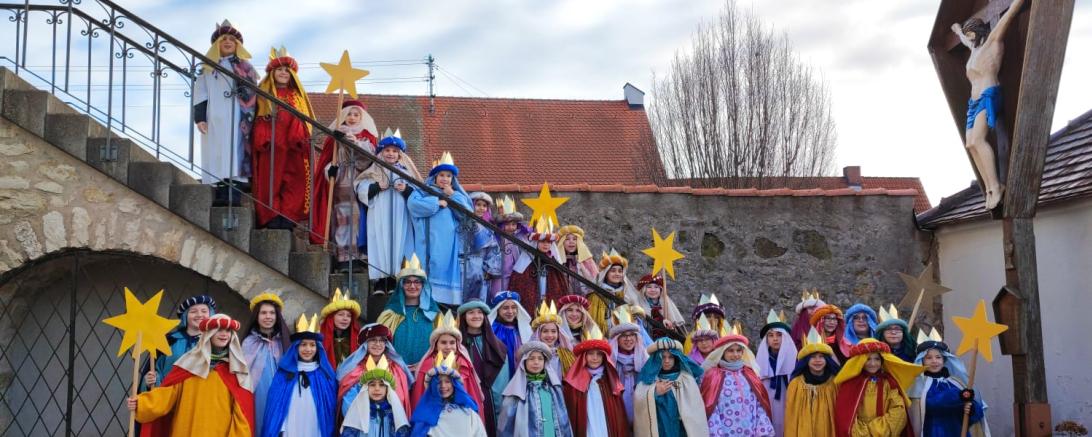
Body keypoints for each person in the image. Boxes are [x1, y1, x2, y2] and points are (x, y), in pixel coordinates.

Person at [951, 0, 1027, 210]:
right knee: (970, 144)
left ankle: (996, 185)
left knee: (978, 139)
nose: (968, 38)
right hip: (973, 101)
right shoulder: (975, 49)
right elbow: (966, 42)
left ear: (977, 31)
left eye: (969, 33)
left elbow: (1009, 15)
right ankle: (989, 187)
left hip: (988, 94)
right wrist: (958, 31)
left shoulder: (993, 40)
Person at [128, 314, 254, 436]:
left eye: (228, 331)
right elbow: (167, 395)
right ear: (209, 334)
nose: (224, 334)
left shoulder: (237, 371)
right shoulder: (188, 364)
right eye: (219, 330)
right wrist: (141, 403)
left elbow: (242, 414)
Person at [250, 46, 314, 230]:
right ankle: (270, 215)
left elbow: (302, 118)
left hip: (293, 147)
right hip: (271, 146)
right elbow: (260, 118)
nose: (283, 73)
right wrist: (263, 136)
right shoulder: (265, 94)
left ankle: (287, 217)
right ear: (272, 72)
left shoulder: (297, 96)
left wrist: (297, 135)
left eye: (287, 70)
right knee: (269, 181)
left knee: (294, 182)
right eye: (279, 69)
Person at [311, 99, 378, 270]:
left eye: (356, 114)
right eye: (349, 114)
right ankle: (343, 258)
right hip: (342, 181)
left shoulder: (366, 137)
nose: (353, 118)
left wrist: (354, 143)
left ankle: (359, 258)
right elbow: (329, 160)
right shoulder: (335, 135)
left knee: (358, 218)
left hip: (359, 180)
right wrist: (329, 171)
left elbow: (368, 160)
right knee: (341, 218)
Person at [356, 128, 422, 295]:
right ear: (381, 152)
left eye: (394, 151)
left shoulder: (406, 172)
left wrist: (406, 189)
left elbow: (419, 192)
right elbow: (360, 187)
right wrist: (376, 187)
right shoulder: (373, 171)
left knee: (399, 245)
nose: (391, 154)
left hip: (401, 217)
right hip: (379, 215)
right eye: (387, 150)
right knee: (380, 244)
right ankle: (380, 281)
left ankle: (395, 279)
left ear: (400, 154)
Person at [194, 20, 258, 186]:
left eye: (231, 39)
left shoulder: (246, 67)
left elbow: (252, 94)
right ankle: (217, 184)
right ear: (216, 44)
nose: (228, 42)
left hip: (237, 116)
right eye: (223, 39)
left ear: (237, 44)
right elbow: (200, 93)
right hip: (214, 116)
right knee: (216, 150)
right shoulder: (207, 68)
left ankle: (235, 186)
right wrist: (200, 117)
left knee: (235, 149)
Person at [408, 151, 472, 307]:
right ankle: (427, 302)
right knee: (431, 265)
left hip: (449, 242)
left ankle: (445, 304)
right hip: (428, 239)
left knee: (444, 267)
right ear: (435, 177)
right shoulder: (423, 191)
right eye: (442, 175)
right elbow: (413, 205)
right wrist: (436, 203)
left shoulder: (456, 194)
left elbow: (467, 214)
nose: (445, 178)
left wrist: (452, 195)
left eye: (449, 176)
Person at [260, 314, 338, 437]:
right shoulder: (284, 373)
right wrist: (282, 428)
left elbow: (329, 409)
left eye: (312, 345)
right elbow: (276, 408)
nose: (308, 349)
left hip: (315, 424)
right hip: (291, 423)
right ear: (296, 347)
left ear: (318, 348)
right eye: (303, 344)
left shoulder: (324, 375)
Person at [834, 338, 924, 437]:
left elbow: (899, 409)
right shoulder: (850, 384)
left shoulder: (889, 382)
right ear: (860, 361)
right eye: (868, 359)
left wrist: (878, 431)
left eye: (877, 359)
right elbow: (845, 417)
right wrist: (863, 433)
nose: (873, 364)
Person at [409, 311, 487, 424]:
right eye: (443, 342)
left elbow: (471, 394)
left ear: (457, 344)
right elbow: (419, 397)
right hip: (433, 416)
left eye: (452, 343)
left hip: (459, 416)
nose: (448, 347)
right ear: (436, 345)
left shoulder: (464, 364)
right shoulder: (426, 365)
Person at [908, 328, 989, 437]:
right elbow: (932, 405)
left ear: (944, 360)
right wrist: (959, 396)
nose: (934, 361)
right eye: (929, 358)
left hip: (958, 431)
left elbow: (975, 409)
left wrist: (971, 409)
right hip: (933, 431)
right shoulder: (918, 384)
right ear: (922, 361)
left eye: (938, 357)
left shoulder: (956, 383)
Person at [700, 321, 775, 436]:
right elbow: (711, 408)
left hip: (750, 430)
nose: (735, 354)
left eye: (739, 350)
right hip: (724, 431)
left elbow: (759, 404)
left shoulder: (750, 373)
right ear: (722, 352)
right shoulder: (713, 375)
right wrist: (715, 432)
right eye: (730, 351)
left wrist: (762, 429)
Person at [563, 324, 629, 437]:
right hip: (587, 427)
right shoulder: (575, 382)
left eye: (599, 354)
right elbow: (572, 413)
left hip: (607, 427)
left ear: (604, 357)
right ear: (584, 357)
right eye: (590, 354)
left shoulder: (610, 381)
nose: (595, 358)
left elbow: (618, 414)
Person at [337, 323, 414, 420]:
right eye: (373, 340)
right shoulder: (354, 369)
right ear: (365, 344)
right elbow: (347, 401)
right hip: (361, 421)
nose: (378, 344)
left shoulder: (395, 369)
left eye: (382, 340)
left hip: (389, 421)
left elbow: (401, 399)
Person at [634, 337, 708, 437]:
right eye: (663, 357)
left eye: (671, 357)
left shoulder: (685, 378)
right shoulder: (649, 379)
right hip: (661, 427)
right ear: (656, 358)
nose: (667, 361)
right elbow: (639, 400)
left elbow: (695, 407)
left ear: (676, 358)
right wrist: (654, 392)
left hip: (682, 428)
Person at [498, 341, 574, 437]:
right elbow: (506, 426)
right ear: (524, 362)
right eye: (531, 358)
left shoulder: (554, 389)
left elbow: (563, 421)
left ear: (545, 362)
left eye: (540, 358)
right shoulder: (516, 391)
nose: (536, 362)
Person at [459, 299, 510, 437]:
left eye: (480, 312)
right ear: (464, 317)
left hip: (490, 397)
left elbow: (502, 379)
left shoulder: (497, 346)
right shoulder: (456, 344)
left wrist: (496, 397)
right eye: (471, 312)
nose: (476, 316)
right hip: (466, 394)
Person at [142, 295, 216, 390]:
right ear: (185, 316)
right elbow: (155, 371)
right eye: (193, 311)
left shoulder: (214, 342)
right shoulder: (169, 340)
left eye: (204, 311)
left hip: (200, 398)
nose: (199, 315)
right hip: (169, 398)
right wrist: (150, 381)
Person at [377, 254, 440, 368]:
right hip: (396, 371)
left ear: (423, 286)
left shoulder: (434, 316)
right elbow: (379, 345)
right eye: (407, 282)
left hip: (425, 372)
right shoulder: (389, 315)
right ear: (401, 286)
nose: (412, 286)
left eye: (417, 282)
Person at [242, 292, 290, 436]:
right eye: (263, 313)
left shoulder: (284, 342)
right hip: (256, 395)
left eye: (272, 313)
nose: (268, 317)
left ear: (277, 316)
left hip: (281, 394)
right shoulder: (248, 342)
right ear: (257, 316)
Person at [410, 351, 489, 437]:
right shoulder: (425, 413)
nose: (443, 386)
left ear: (455, 385)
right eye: (439, 382)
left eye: (447, 381)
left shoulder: (469, 413)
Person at [784, 327, 841, 437]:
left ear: (827, 360)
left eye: (821, 357)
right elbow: (791, 415)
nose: (817, 360)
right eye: (813, 357)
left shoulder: (835, 382)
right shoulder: (796, 384)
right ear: (806, 360)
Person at [508, 219, 571, 314]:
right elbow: (519, 283)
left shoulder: (553, 261)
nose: (546, 245)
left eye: (549, 242)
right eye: (542, 241)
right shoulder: (527, 261)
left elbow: (560, 286)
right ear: (536, 242)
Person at [340, 355, 411, 437]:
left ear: (387, 389)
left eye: (381, 385)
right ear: (366, 388)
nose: (377, 389)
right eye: (372, 385)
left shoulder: (393, 412)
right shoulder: (358, 409)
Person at [757, 309, 798, 437]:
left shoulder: (796, 360)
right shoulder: (760, 362)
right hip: (767, 398)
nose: (775, 339)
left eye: (779, 335)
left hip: (789, 397)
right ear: (766, 339)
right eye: (771, 335)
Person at [608, 306, 650, 425]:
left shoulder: (645, 358)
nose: (628, 339)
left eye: (631, 335)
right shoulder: (609, 360)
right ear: (617, 339)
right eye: (624, 336)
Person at [462, 192, 503, 303]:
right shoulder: (462, 223)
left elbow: (494, 250)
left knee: (478, 298)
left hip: (479, 268)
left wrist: (489, 269)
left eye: (484, 206)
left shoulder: (488, 228)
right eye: (478, 204)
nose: (481, 208)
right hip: (462, 266)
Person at [491, 196, 532, 299]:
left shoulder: (519, 237)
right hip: (499, 273)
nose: (511, 227)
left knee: (514, 295)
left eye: (513, 224)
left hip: (514, 273)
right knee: (497, 294)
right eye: (507, 225)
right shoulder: (496, 237)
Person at [588, 249, 638, 333]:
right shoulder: (596, 296)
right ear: (606, 273)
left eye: (620, 271)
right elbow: (593, 323)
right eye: (613, 270)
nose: (617, 274)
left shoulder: (625, 296)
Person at [489, 291, 533, 377]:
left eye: (513, 307)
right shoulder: (492, 328)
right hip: (500, 373)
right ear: (498, 310)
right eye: (505, 308)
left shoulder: (522, 328)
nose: (510, 311)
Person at [632, 274, 686, 339]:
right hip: (646, 339)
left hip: (667, 339)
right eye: (649, 287)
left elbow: (676, 327)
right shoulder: (639, 304)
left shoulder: (667, 304)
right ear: (644, 290)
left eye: (656, 287)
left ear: (660, 289)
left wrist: (671, 328)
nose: (653, 290)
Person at [530, 301, 575, 376]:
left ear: (558, 333)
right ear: (538, 333)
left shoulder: (565, 354)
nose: (550, 335)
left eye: (553, 331)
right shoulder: (531, 354)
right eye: (545, 331)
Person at [321, 288, 363, 368]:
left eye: (349, 316)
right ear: (331, 317)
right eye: (340, 314)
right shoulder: (321, 337)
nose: (345, 318)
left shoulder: (358, 338)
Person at [557, 225, 599, 295]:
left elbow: (596, 283)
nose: (571, 242)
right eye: (567, 239)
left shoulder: (587, 261)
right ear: (562, 242)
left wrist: (582, 267)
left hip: (583, 299)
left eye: (575, 239)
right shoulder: (557, 260)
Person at [685, 293, 726, 358]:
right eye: (708, 316)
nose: (712, 319)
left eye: (716, 317)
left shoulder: (725, 336)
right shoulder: (691, 338)